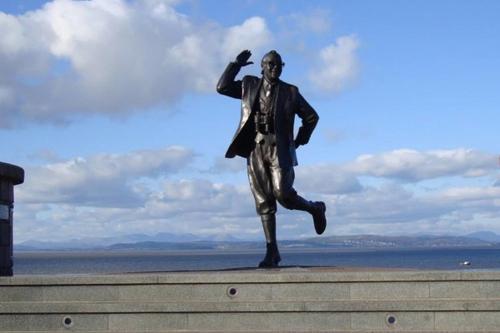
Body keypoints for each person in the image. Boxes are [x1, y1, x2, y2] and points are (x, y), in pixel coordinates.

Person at [216, 50, 327, 268]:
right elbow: (222, 88)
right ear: (262, 66)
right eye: (270, 65)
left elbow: (312, 117)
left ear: (282, 67)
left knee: (283, 194)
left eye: (278, 65)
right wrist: (235, 65)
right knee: (264, 201)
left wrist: (299, 141)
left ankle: (315, 208)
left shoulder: (291, 92)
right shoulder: (248, 84)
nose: (274, 68)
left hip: (280, 149)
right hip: (256, 148)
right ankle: (272, 251)